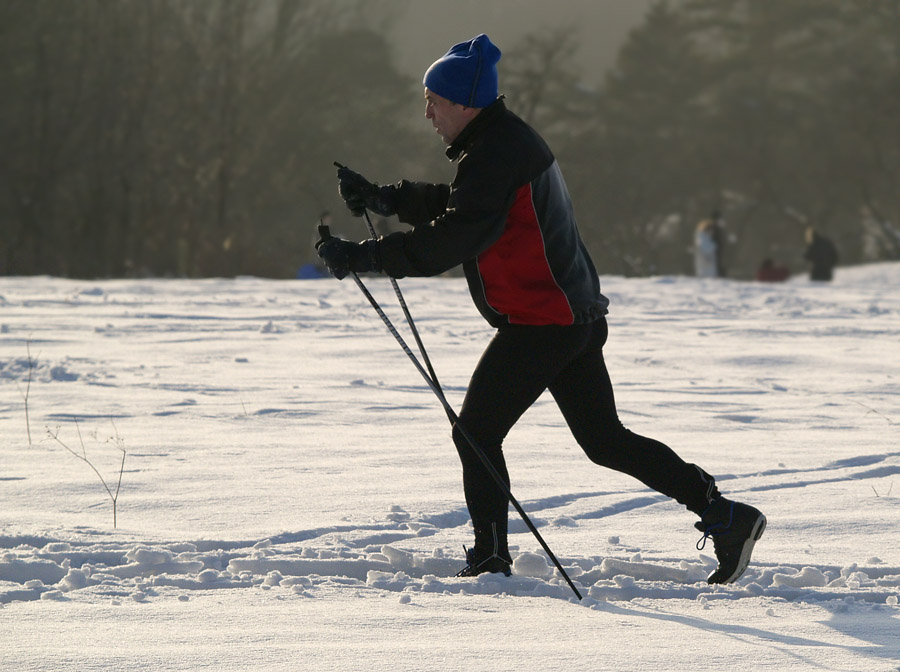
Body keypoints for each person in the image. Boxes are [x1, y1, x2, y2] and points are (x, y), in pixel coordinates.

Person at [316, 34, 765, 584]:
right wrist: (389, 198)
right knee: (605, 441)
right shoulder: (498, 145)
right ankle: (723, 514)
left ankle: (489, 559)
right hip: (569, 317)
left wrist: (361, 256)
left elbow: (455, 236)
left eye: (433, 100)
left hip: (544, 322)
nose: (427, 112)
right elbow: (465, 206)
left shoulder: (497, 152)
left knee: (475, 432)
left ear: (464, 103)